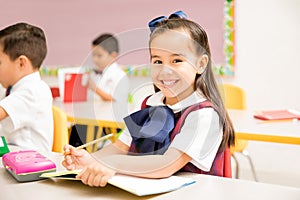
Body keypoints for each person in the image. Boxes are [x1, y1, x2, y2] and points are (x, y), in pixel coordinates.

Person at [62, 11, 235, 187]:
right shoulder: (147, 104)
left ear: (201, 64)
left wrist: (112, 164)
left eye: (176, 60)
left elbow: (166, 165)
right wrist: (90, 159)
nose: (165, 70)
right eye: (158, 61)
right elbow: (120, 147)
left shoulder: (204, 115)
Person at [0, 22, 53, 151]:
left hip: (30, 165)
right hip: (12, 158)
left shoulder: (34, 91)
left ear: (21, 63)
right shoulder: (12, 87)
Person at [69, 33, 129, 147]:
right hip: (95, 118)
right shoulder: (96, 73)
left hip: (111, 122)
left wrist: (94, 88)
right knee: (76, 128)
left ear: (113, 55)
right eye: (93, 55)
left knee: (80, 131)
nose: (95, 59)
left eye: (99, 55)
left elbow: (114, 100)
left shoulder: (119, 75)